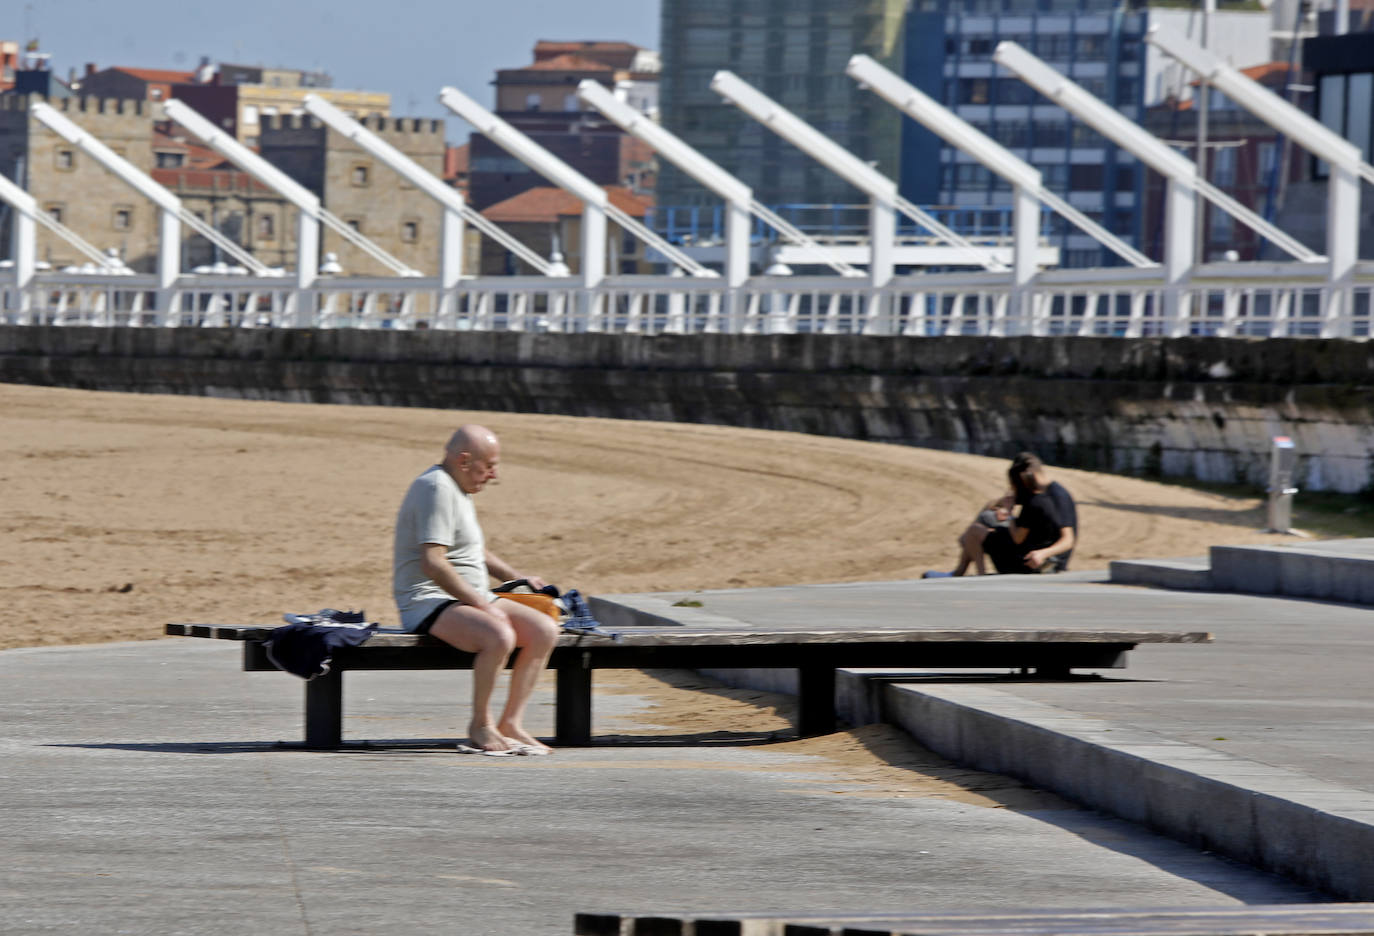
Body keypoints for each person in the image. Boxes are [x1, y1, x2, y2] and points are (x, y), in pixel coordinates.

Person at [392, 424, 560, 755]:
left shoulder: (457, 487)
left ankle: (511, 723)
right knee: (498, 636)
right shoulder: (436, 489)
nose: (494, 475)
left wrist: (517, 576)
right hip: (427, 600)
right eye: (490, 465)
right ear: (465, 459)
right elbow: (433, 563)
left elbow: (472, 551)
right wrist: (484, 606)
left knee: (544, 630)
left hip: (468, 596)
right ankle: (480, 725)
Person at [943, 453, 1076, 576]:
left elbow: (1068, 540)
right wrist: (1002, 506)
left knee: (976, 529)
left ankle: (972, 574)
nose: (1013, 488)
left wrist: (1042, 554)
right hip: (1030, 545)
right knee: (987, 516)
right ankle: (960, 569)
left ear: (1023, 479)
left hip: (1042, 559)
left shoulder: (1057, 497)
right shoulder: (1037, 494)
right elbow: (999, 505)